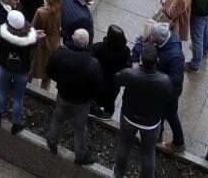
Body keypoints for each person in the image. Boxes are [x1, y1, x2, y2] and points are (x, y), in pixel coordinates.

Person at [112, 42, 171, 178]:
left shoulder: (130, 74)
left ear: (140, 59)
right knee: (149, 153)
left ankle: (119, 174)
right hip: (151, 123)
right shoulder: (165, 80)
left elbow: (116, 79)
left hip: (129, 117)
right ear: (157, 61)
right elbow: (168, 96)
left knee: (124, 145)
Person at [45, 26, 100, 164]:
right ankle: (80, 155)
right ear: (87, 44)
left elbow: (50, 71)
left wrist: (61, 81)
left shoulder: (60, 53)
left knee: (57, 118)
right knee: (80, 128)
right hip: (81, 103)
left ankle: (52, 141)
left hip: (63, 94)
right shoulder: (93, 64)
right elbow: (98, 86)